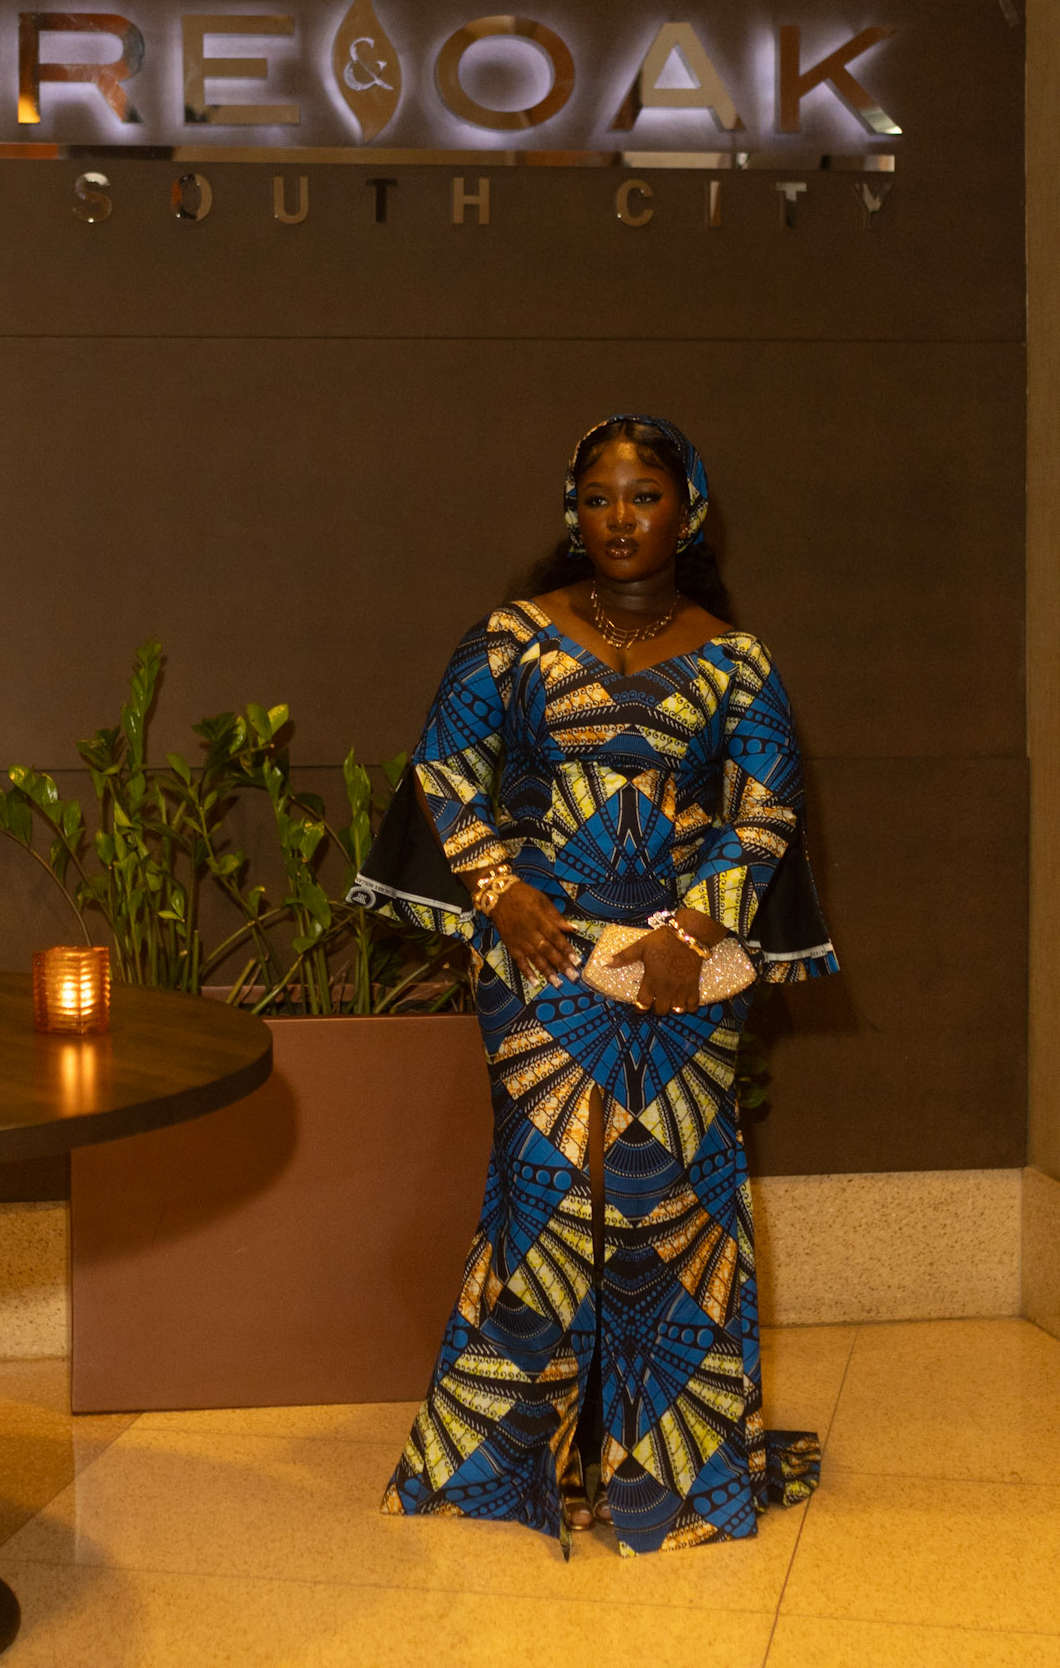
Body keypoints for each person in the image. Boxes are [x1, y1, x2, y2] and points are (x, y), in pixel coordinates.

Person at [350, 413, 837, 1557]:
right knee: (549, 1193)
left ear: (689, 511)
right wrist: (499, 888)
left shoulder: (738, 660)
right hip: (542, 960)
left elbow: (767, 804)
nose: (622, 517)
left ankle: (671, 1473)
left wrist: (693, 926)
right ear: (572, 512)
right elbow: (442, 771)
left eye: (645, 494)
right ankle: (511, 1465)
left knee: (675, 1203)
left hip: (686, 976)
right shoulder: (510, 640)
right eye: (600, 496)